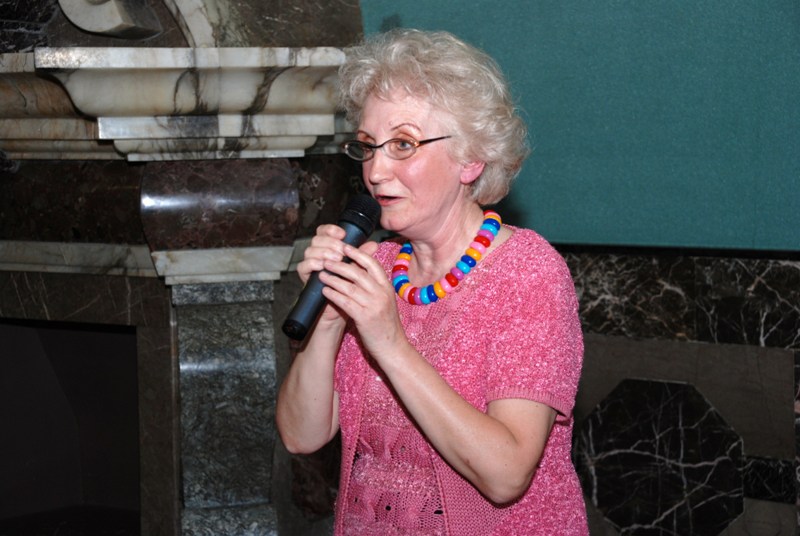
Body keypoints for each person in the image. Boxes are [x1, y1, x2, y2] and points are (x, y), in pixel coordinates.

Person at [276, 28, 588, 535]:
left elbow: (507, 475)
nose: (376, 171)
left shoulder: (527, 272)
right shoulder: (377, 266)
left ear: (471, 158)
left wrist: (390, 342)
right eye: (368, 147)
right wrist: (329, 322)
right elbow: (300, 436)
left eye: (403, 144)